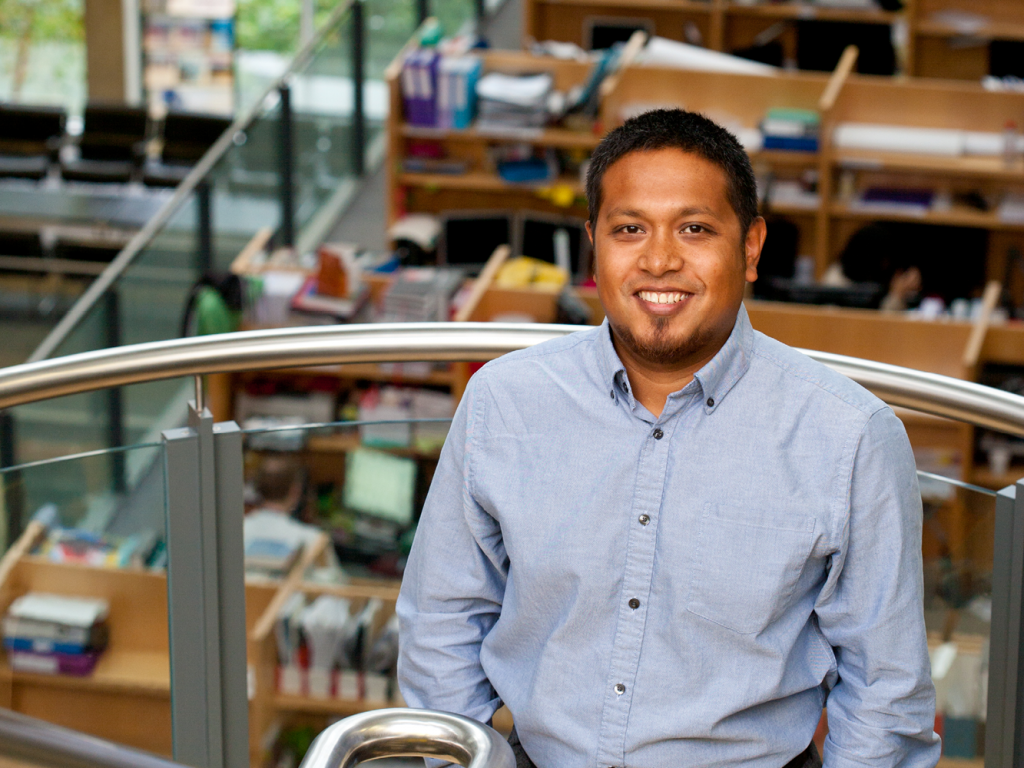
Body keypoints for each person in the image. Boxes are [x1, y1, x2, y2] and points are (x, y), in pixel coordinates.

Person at [397, 109, 940, 768]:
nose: (658, 260)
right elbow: (442, 624)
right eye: (629, 229)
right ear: (593, 243)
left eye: (694, 229)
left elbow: (886, 693)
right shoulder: (502, 402)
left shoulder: (850, 437)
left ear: (751, 247)